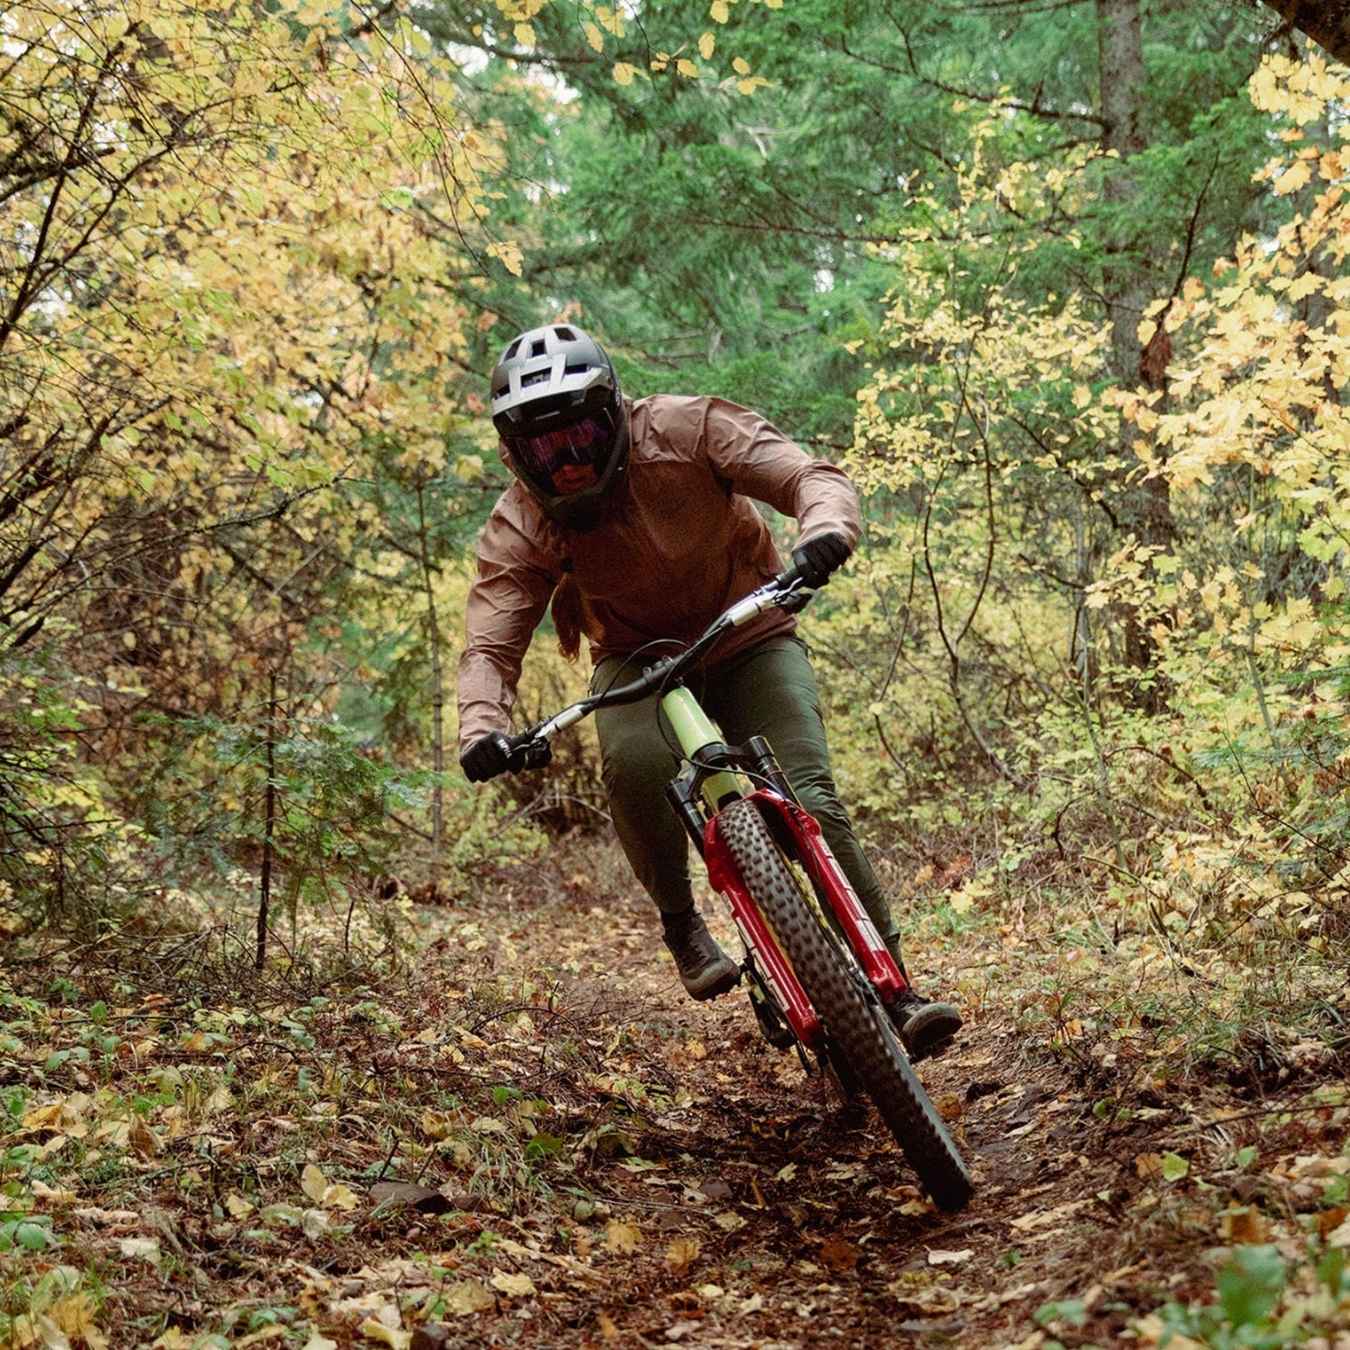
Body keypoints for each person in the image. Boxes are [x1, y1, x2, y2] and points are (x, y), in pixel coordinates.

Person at [457, 323, 962, 1059]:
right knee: (632, 766)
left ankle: (894, 983)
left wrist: (824, 532)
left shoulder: (688, 430)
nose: (566, 464)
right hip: (636, 660)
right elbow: (491, 637)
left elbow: (805, 476)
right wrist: (481, 729)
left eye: (580, 437)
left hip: (749, 630)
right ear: (515, 451)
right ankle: (680, 921)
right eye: (543, 449)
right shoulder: (523, 521)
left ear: (613, 413)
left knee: (810, 798)